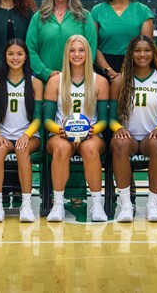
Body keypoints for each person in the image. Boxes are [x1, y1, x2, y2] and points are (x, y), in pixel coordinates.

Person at [43, 35, 109, 222]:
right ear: (66, 54)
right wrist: (58, 130)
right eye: (72, 50)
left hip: (91, 134)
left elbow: (103, 120)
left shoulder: (100, 81)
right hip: (60, 134)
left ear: (88, 53)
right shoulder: (56, 81)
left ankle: (97, 204)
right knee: (62, 148)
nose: (77, 54)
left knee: (90, 148)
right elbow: (47, 119)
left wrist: (93, 130)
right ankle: (57, 204)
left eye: (81, 50)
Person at [109, 35, 157, 223]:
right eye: (137, 50)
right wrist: (118, 128)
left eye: (147, 50)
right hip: (128, 137)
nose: (142, 54)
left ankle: (153, 204)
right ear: (130, 54)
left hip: (149, 138)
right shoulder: (120, 81)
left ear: (154, 53)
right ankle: (125, 204)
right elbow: (111, 118)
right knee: (119, 143)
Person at [0, 39, 42, 222]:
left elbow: (38, 118)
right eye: (10, 54)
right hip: (3, 134)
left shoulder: (35, 83)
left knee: (22, 149)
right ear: (5, 56)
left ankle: (25, 205)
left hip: (29, 135)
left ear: (26, 57)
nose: (15, 58)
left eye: (19, 54)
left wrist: (26, 135)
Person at [26, 0, 97, 83]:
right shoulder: (38, 18)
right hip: (45, 83)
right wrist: (46, 73)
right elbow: (30, 49)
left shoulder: (84, 16)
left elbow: (91, 48)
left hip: (76, 82)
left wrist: (76, 73)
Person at [91, 0, 154, 79]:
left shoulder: (143, 11)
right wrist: (109, 72)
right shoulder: (97, 10)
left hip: (134, 68)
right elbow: (93, 46)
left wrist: (126, 70)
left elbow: (146, 48)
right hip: (103, 69)